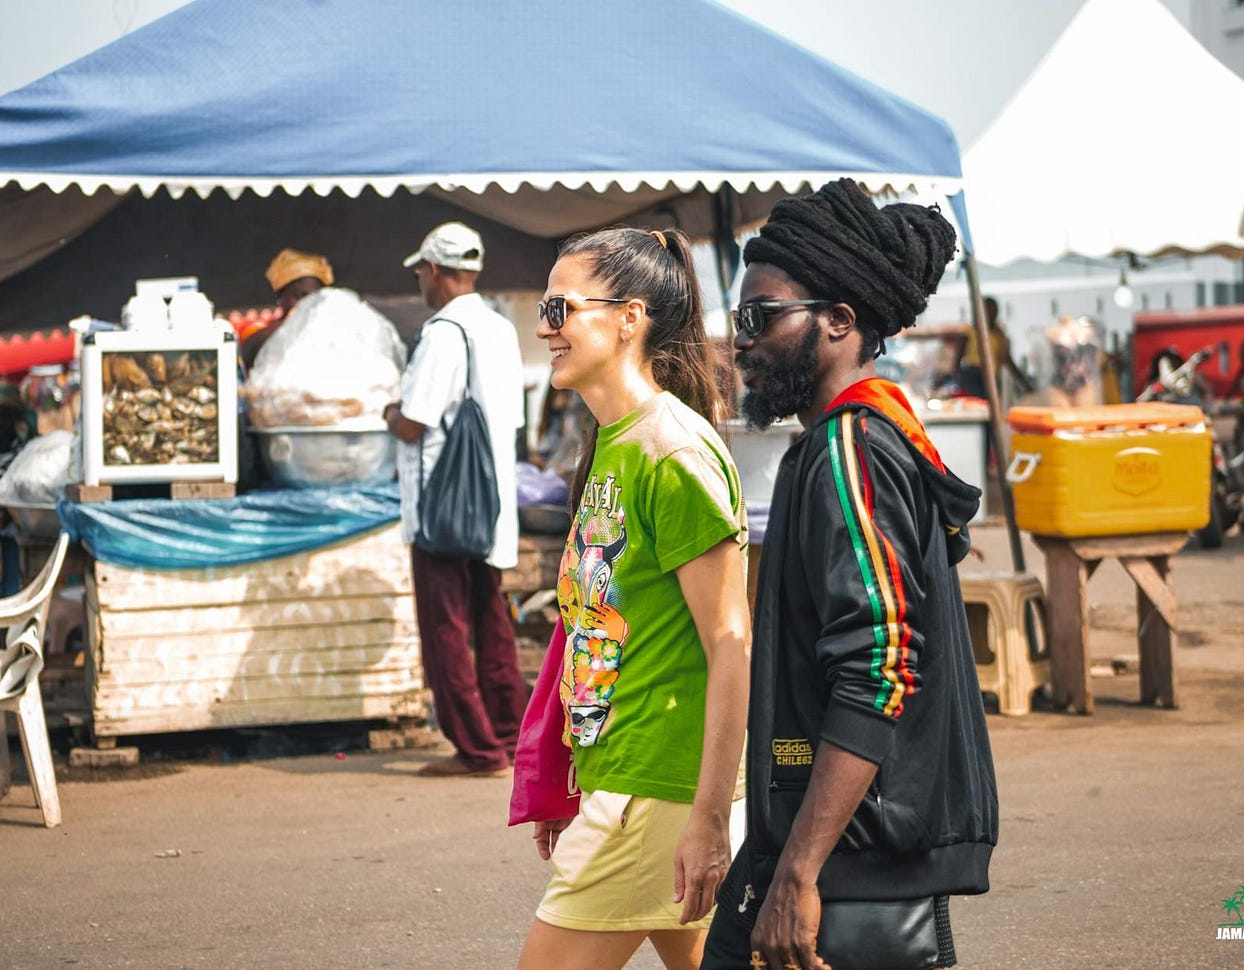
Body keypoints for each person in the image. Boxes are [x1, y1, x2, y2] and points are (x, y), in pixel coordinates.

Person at [703, 179, 997, 970]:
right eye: (739, 320)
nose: (743, 341)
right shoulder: (846, 440)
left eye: (762, 317)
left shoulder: (852, 449)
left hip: (853, 865)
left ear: (840, 320)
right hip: (834, 845)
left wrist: (799, 873)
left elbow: (877, 668)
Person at [516, 227, 750, 970]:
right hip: (628, 780)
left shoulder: (671, 451)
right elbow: (607, 632)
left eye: (560, 307)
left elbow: (730, 642)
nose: (545, 325)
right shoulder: (617, 441)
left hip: (658, 796)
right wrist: (575, 766)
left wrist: (710, 820)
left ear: (629, 317)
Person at [382, 222, 527, 778]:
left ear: (437, 271)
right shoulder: (499, 328)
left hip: (443, 507)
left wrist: (388, 413)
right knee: (493, 624)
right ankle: (511, 737)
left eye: (421, 269)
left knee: (444, 631)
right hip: (491, 503)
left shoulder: (443, 333)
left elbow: (415, 423)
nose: (420, 278)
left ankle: (476, 748)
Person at [243, 248, 335, 368]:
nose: (306, 304)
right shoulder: (262, 335)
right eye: (298, 296)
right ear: (281, 297)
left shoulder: (332, 331)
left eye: (314, 297)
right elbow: (245, 354)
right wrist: (288, 326)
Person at [956, 296, 1032, 400]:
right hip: (973, 375)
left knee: (991, 405)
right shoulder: (969, 332)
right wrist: (960, 381)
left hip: (991, 376)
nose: (991, 314)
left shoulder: (998, 335)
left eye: (993, 311)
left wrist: (1025, 384)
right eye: (987, 310)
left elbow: (1008, 360)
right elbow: (957, 360)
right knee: (977, 404)